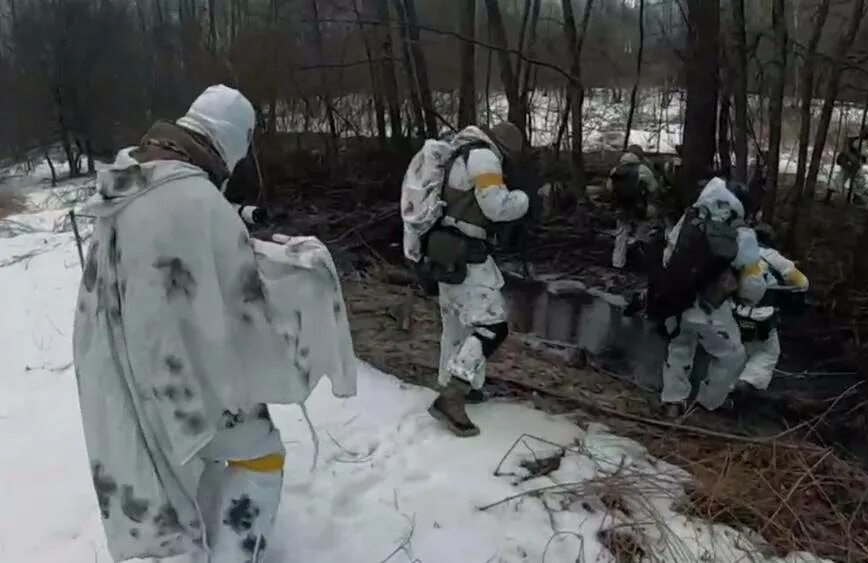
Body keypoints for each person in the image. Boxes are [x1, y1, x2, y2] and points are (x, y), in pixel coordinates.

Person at [73, 85, 356, 563]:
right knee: (261, 450)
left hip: (118, 360)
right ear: (230, 142)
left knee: (172, 478)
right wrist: (303, 265)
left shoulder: (136, 175)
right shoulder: (195, 197)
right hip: (176, 376)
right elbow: (243, 295)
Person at [423, 122, 529, 437]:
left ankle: (456, 385)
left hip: (444, 247)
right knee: (493, 326)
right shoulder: (484, 157)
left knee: (456, 324)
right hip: (468, 251)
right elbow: (495, 206)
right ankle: (452, 395)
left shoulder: (457, 152)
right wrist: (522, 200)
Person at [658, 178, 767, 415]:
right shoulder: (742, 234)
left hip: (677, 298)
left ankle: (673, 402)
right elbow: (752, 287)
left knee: (680, 346)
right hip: (710, 308)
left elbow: (667, 257)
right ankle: (709, 403)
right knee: (733, 355)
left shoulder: (689, 218)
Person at [733, 224, 809, 391]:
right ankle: (748, 383)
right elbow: (803, 283)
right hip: (760, 314)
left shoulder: (737, 253)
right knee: (767, 352)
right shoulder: (776, 259)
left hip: (731, 310)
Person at [609, 145, 666, 269]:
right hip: (639, 207)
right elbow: (654, 188)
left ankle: (618, 263)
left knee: (621, 235)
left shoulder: (615, 170)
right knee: (644, 228)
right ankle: (640, 258)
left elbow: (609, 188)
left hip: (622, 208)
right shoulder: (643, 169)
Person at [828, 125, 868, 205]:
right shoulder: (854, 140)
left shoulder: (867, 144)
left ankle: (856, 197)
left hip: (857, 165)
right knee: (841, 178)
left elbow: (866, 154)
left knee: (860, 180)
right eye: (865, 132)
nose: (866, 134)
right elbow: (846, 150)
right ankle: (829, 196)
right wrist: (850, 157)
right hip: (849, 163)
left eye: (867, 133)